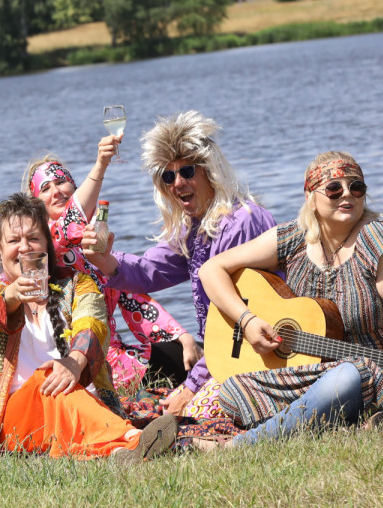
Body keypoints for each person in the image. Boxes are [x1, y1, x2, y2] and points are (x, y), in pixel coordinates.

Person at [197, 151, 383, 446]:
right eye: (334, 188)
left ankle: (239, 446)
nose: (347, 194)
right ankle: (340, 423)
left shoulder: (379, 241)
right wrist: (246, 320)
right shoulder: (294, 238)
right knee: (234, 390)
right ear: (310, 197)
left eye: (356, 187)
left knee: (347, 378)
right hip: (317, 369)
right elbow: (212, 269)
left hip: (382, 372)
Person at [81, 111, 276, 417]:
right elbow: (148, 271)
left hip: (259, 349)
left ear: (209, 170)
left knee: (188, 413)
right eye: (168, 176)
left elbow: (229, 325)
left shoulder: (239, 223)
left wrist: (191, 388)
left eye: (187, 171)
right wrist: (104, 260)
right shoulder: (195, 227)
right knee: (158, 408)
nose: (178, 183)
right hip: (227, 350)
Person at [0, 192, 179, 461]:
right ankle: (134, 438)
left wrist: (74, 362)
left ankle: (121, 452)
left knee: (64, 393)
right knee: (48, 379)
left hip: (77, 400)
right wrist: (12, 296)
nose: (24, 248)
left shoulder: (78, 285)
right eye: (13, 241)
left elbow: (93, 324)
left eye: (33, 238)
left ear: (47, 246)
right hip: (16, 415)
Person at [23, 136, 201, 391]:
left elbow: (132, 298)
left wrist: (181, 337)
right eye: (46, 188)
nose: (56, 191)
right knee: (191, 372)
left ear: (74, 187)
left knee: (192, 357)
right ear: (36, 203)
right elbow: (72, 219)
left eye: (61, 182)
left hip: (116, 356)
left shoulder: (94, 247)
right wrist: (100, 165)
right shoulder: (47, 245)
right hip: (73, 362)